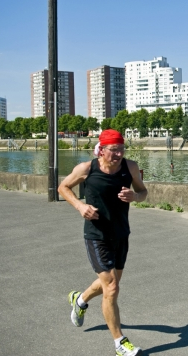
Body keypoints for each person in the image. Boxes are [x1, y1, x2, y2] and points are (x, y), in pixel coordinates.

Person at [58, 129, 148, 356]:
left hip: (121, 234)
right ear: (101, 150)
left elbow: (143, 191)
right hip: (96, 236)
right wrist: (80, 206)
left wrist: (135, 197)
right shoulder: (87, 169)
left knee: (111, 282)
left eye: (121, 149)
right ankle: (120, 343)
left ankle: (80, 300)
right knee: (112, 288)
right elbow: (63, 187)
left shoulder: (131, 168)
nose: (118, 154)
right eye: (113, 150)